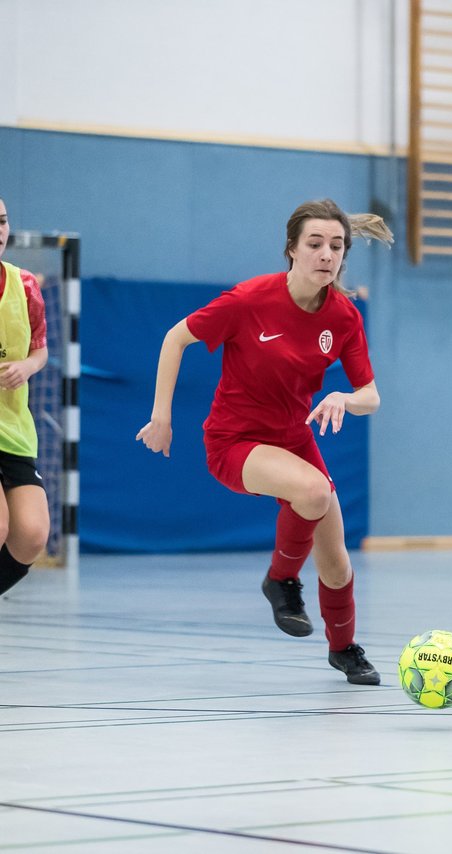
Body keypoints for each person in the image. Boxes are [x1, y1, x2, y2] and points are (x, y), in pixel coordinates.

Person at [137, 199, 391, 684]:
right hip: (234, 441)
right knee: (315, 492)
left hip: (292, 440)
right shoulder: (249, 300)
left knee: (335, 559)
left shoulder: (343, 316)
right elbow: (175, 338)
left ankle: (344, 650)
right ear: (291, 250)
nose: (326, 254)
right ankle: (281, 579)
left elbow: (371, 396)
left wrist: (344, 397)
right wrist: (161, 416)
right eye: (314, 244)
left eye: (336, 246)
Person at [0, 197, 52, 597]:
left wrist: (28, 367)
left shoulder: (25, 284)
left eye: (2, 221)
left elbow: (40, 348)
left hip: (13, 429)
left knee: (31, 535)